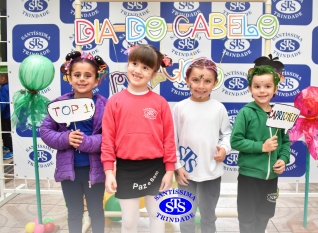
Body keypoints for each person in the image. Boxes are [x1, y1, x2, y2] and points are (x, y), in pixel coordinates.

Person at [101, 44, 176, 233]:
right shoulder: (114, 102)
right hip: (126, 169)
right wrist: (109, 171)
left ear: (153, 72)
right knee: (129, 221)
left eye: (145, 67)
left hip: (156, 167)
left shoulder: (160, 103)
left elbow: (169, 139)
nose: (138, 71)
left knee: (158, 218)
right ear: (128, 65)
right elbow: (108, 139)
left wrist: (169, 170)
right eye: (134, 64)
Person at [40, 51, 108, 233]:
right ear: (69, 78)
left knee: (96, 211)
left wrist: (87, 142)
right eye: (77, 75)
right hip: (68, 171)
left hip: (95, 170)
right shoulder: (59, 104)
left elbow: (110, 137)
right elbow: (45, 131)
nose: (82, 79)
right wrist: (65, 138)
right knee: (74, 211)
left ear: (96, 80)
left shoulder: (104, 106)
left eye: (88, 75)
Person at [230, 55, 290, 233]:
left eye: (267, 86)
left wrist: (283, 159)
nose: (262, 91)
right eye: (257, 86)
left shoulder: (280, 114)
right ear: (250, 88)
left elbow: (285, 142)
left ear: (275, 88)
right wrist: (261, 147)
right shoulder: (245, 113)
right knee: (247, 216)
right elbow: (236, 141)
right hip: (249, 177)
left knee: (265, 214)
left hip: (271, 178)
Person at [173, 57, 232, 233]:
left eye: (207, 81)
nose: (201, 85)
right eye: (196, 80)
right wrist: (177, 166)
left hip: (212, 171)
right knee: (186, 215)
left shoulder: (218, 108)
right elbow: (171, 140)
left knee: (208, 215)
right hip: (186, 173)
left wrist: (225, 149)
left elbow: (227, 134)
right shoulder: (180, 108)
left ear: (215, 83)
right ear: (187, 81)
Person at [0, 66, 13, 160]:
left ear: (3, 78)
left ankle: (11, 149)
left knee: (6, 133)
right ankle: (6, 146)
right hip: (9, 114)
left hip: (5, 115)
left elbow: (3, 102)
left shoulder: (4, 88)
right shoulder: (9, 86)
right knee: (7, 132)